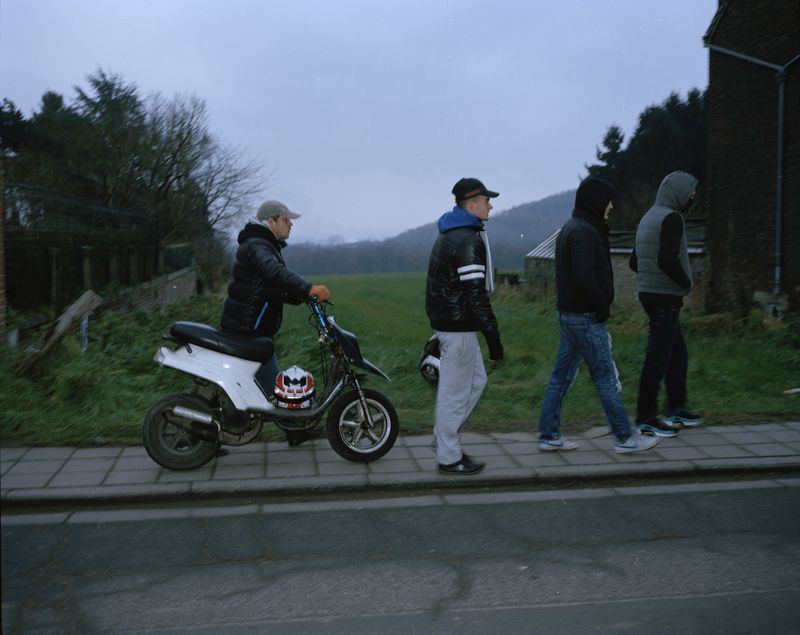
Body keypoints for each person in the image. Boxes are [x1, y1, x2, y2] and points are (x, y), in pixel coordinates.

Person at [537, 176, 660, 454]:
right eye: (608, 201)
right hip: (585, 317)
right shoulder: (583, 231)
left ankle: (548, 435)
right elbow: (583, 274)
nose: (612, 206)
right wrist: (601, 305)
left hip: (569, 316)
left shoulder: (572, 227)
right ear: (596, 201)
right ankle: (625, 438)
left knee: (560, 377)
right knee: (604, 376)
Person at [220, 200, 330, 446]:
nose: (290, 223)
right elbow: (274, 272)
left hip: (251, 328)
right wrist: (308, 288)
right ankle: (294, 428)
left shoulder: (263, 244)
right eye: (286, 219)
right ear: (271, 221)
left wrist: (301, 296)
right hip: (248, 330)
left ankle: (293, 427)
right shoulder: (259, 247)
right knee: (276, 384)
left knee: (271, 382)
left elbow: (272, 289)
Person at [425, 177, 504, 475]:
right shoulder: (468, 239)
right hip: (457, 326)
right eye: (486, 201)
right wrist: (494, 339)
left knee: (475, 382)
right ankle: (448, 456)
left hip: (451, 322)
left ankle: (442, 438)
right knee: (455, 393)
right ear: (472, 204)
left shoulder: (453, 232)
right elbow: (475, 294)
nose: (491, 205)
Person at [629, 171, 704, 436]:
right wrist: (685, 283)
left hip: (651, 294)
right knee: (658, 358)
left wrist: (652, 281)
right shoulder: (672, 218)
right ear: (679, 192)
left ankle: (676, 409)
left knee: (676, 353)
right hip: (666, 297)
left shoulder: (649, 217)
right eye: (691, 192)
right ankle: (646, 417)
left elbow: (634, 262)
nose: (693, 197)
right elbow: (667, 259)